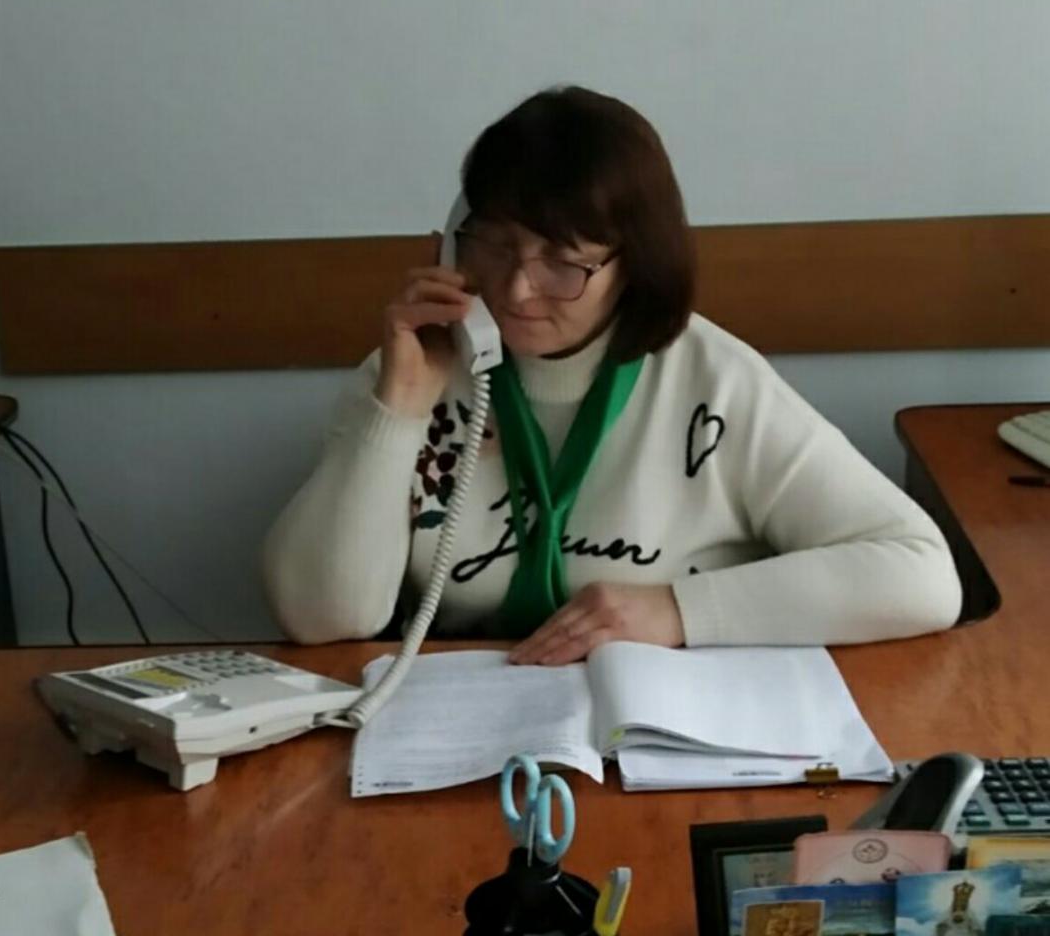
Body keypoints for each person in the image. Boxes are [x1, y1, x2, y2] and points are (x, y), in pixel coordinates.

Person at [262, 86, 962, 661]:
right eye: (493, 245)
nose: (516, 289)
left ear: (634, 265)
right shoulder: (411, 369)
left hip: (661, 728)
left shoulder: (713, 381)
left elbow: (922, 573)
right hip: (461, 731)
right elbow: (321, 619)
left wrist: (677, 611)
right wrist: (397, 411)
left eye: (563, 262)